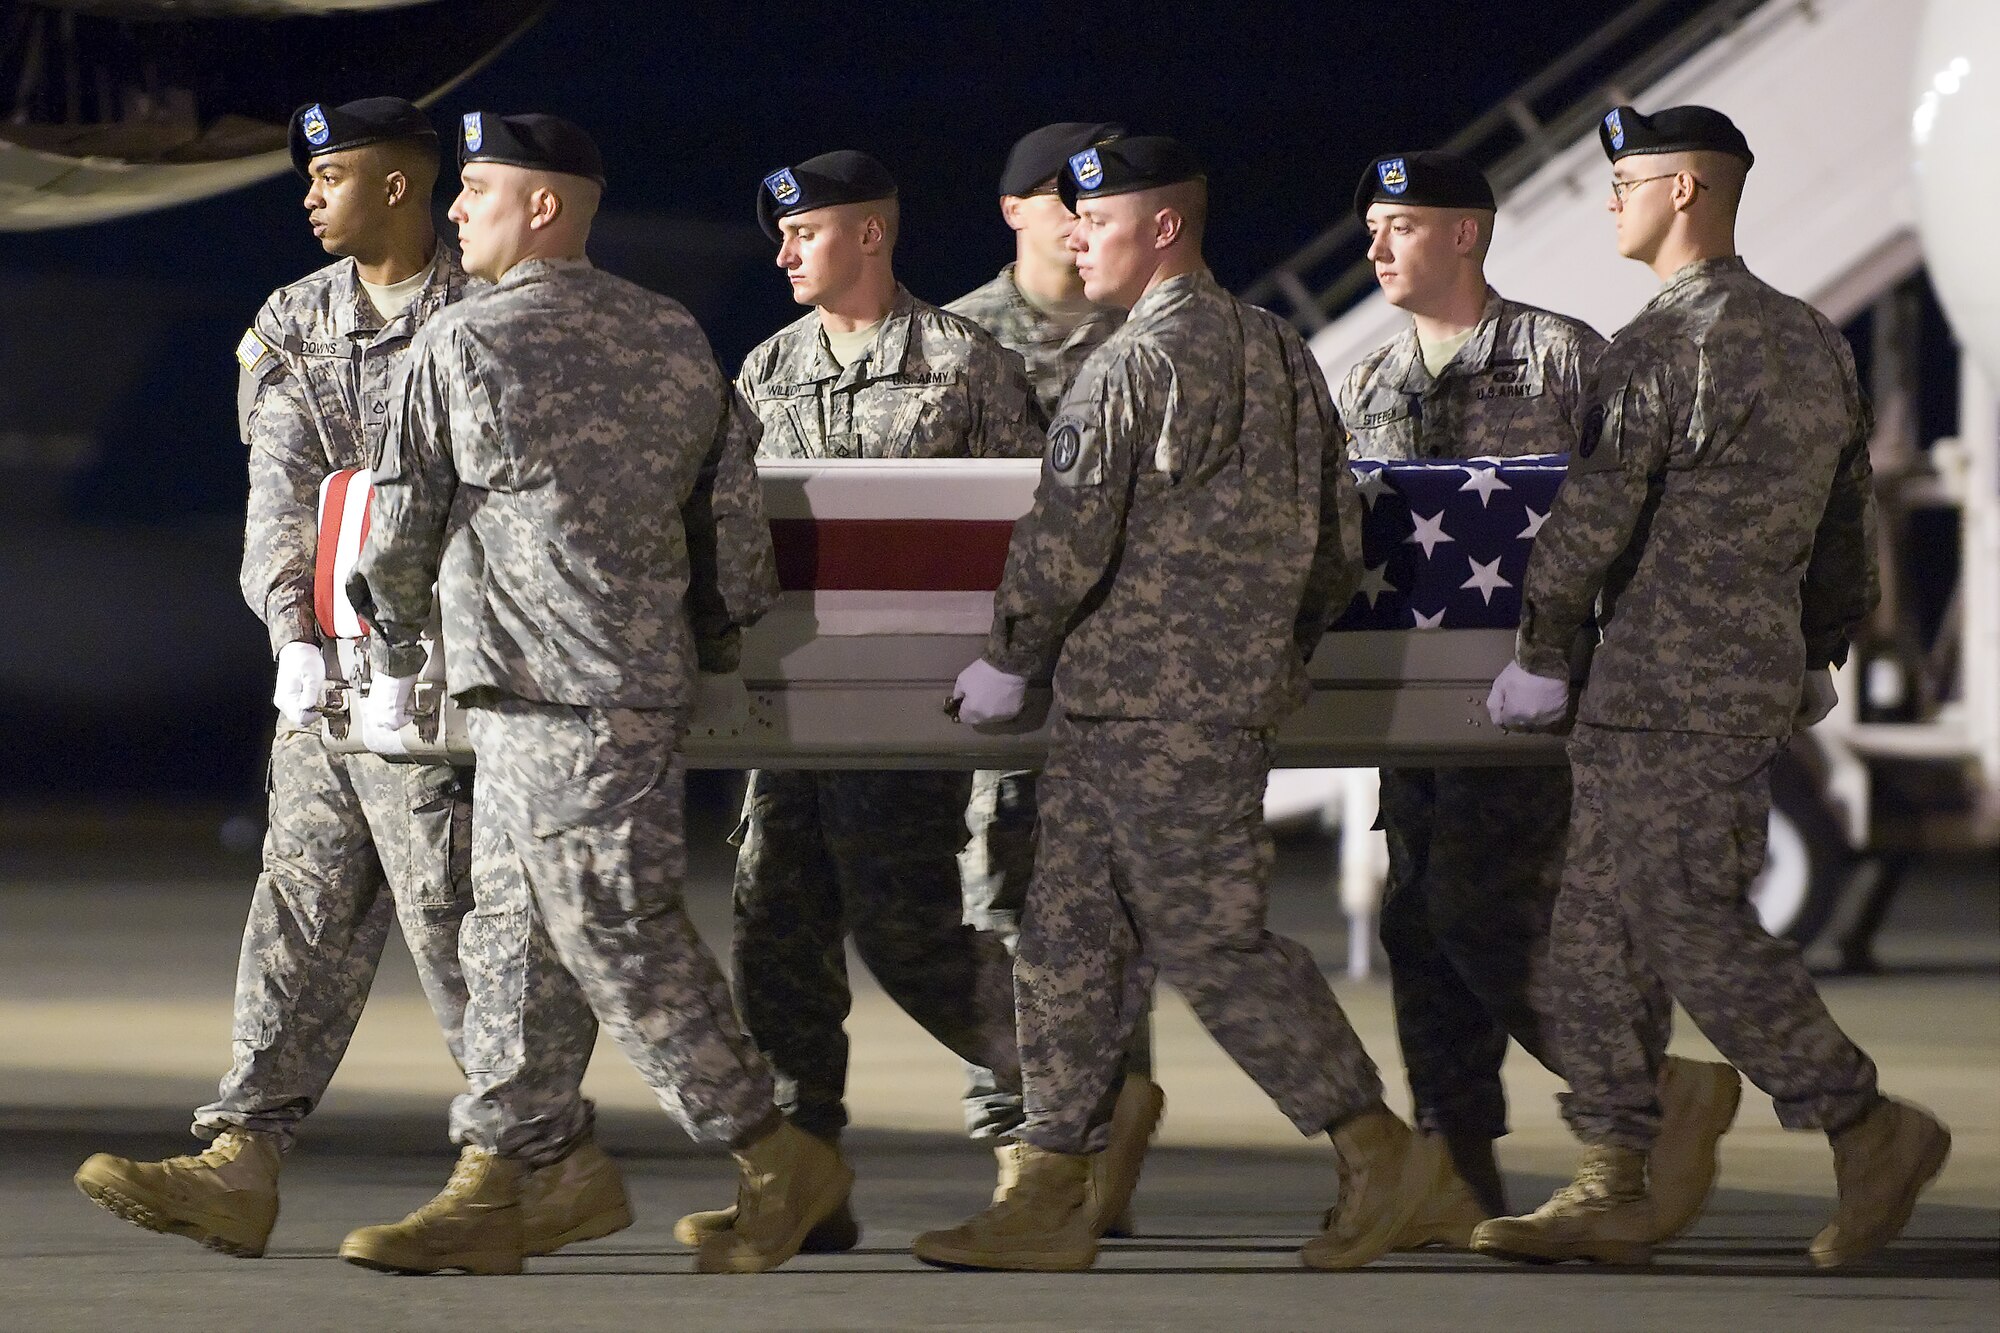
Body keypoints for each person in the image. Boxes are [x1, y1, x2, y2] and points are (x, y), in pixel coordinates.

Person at [73, 97, 625, 1263]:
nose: (310, 195)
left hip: (462, 679)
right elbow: (280, 494)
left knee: (456, 920)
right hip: (331, 679)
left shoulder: (494, 309)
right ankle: (240, 1158)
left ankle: (547, 1160)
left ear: (399, 184)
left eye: (332, 174)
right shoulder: (296, 318)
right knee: (301, 904)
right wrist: (293, 637)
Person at [916, 135, 1473, 1273]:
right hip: (1193, 704)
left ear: (1163, 227)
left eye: (1098, 221)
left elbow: (1065, 534)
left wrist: (1010, 655)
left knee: (1209, 940)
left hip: (1141, 704)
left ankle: (1382, 1152)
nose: (1078, 241)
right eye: (1072, 221)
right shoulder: (1280, 352)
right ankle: (1049, 1185)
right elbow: (1339, 539)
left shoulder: (1130, 363)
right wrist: (1267, 652)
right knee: (1068, 940)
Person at [338, 112, 838, 1278]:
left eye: (476, 190)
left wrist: (394, 647)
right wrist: (707, 650)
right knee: (512, 937)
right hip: (617, 688)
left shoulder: (461, 340)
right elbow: (731, 534)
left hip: (544, 690)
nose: (455, 210)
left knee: (613, 926)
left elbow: (400, 524)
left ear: (545, 207)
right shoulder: (673, 335)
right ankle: (503, 1176)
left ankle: (772, 1150)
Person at [1476, 104, 1951, 1269]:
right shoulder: (1810, 341)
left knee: (1681, 916)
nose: (1610, 200)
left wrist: (1538, 648)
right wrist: (1816, 649)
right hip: (1735, 678)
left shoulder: (1658, 347)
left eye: (1627, 181)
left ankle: (1860, 1119)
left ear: (1682, 191)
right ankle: (1613, 1173)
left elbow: (1587, 524)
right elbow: (1842, 524)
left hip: (1656, 682)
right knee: (1593, 929)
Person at [1340, 148, 1739, 1239]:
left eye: (1400, 226)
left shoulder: (1562, 357)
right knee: (1418, 926)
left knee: (1482, 911)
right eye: (1371, 230)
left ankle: (1646, 1092)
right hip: (1413, 708)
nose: (1376, 248)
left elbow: (1635, 511)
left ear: (1464, 233)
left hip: (1535, 701)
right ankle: (1455, 1166)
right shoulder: (1368, 382)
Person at [674, 150, 1051, 1255]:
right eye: (782, 237)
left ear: (872, 233)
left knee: (907, 928)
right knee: (774, 931)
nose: (785, 252)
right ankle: (804, 1171)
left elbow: (1032, 530)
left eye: (807, 233)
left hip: (909, 709)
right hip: (790, 710)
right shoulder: (768, 367)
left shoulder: (964, 364)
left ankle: (1071, 1095)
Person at [943, 120, 1162, 1239]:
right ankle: (1018, 1144)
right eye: (1061, 198)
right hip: (1005, 676)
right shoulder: (959, 342)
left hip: (1131, 675)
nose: (1083, 219)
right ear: (1013, 211)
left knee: (1118, 913)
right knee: (1000, 906)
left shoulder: (1153, 329)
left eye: (1097, 200)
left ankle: (1100, 1141)